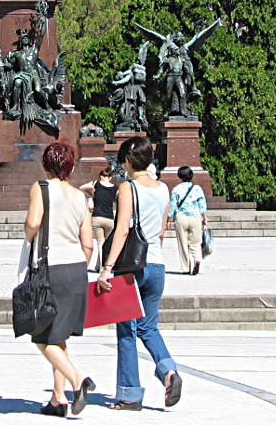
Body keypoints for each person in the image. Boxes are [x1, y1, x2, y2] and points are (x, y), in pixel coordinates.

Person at [97, 137, 182, 411]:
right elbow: (160, 230)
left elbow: (122, 229)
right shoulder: (163, 188)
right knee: (149, 327)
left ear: (128, 161)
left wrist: (107, 268)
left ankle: (129, 394)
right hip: (157, 265)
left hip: (132, 268)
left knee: (127, 330)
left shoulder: (127, 188)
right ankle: (168, 371)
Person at [24, 141, 96, 417]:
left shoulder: (41, 188)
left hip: (50, 267)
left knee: (42, 336)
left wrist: (29, 239)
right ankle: (57, 399)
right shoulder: (80, 196)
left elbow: (33, 223)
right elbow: (88, 242)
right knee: (60, 335)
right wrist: (80, 267)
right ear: (72, 166)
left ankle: (78, 381)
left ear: (45, 165)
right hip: (76, 267)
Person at [170, 166, 208, 275]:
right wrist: (204, 217)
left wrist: (168, 219)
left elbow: (173, 206)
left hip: (181, 217)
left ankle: (186, 268)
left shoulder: (176, 189)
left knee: (183, 243)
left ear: (179, 176)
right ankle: (197, 258)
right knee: (196, 242)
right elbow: (202, 204)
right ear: (191, 175)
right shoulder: (197, 189)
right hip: (195, 216)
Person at [79, 168, 117, 268]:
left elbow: (82, 187)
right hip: (110, 219)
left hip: (97, 217)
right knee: (108, 244)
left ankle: (101, 267)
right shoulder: (115, 188)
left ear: (101, 177)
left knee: (100, 243)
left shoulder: (96, 184)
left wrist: (92, 193)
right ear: (110, 178)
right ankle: (101, 265)